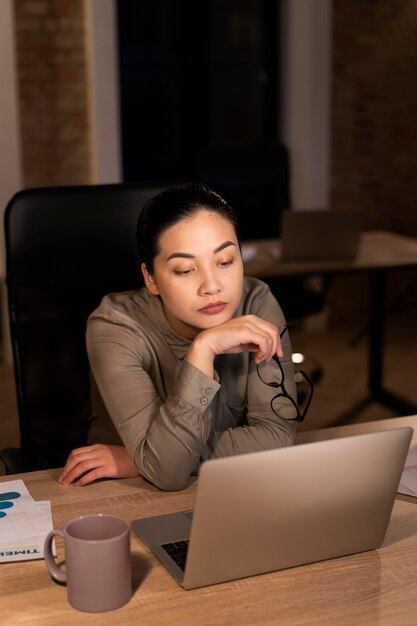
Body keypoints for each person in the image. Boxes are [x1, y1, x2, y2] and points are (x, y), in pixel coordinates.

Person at [59, 183, 299, 491]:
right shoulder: (113, 326)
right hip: (121, 494)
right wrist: (204, 347)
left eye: (225, 261)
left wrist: (143, 460)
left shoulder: (257, 303)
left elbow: (278, 439)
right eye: (185, 270)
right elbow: (167, 475)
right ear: (151, 279)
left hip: (231, 489)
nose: (212, 285)